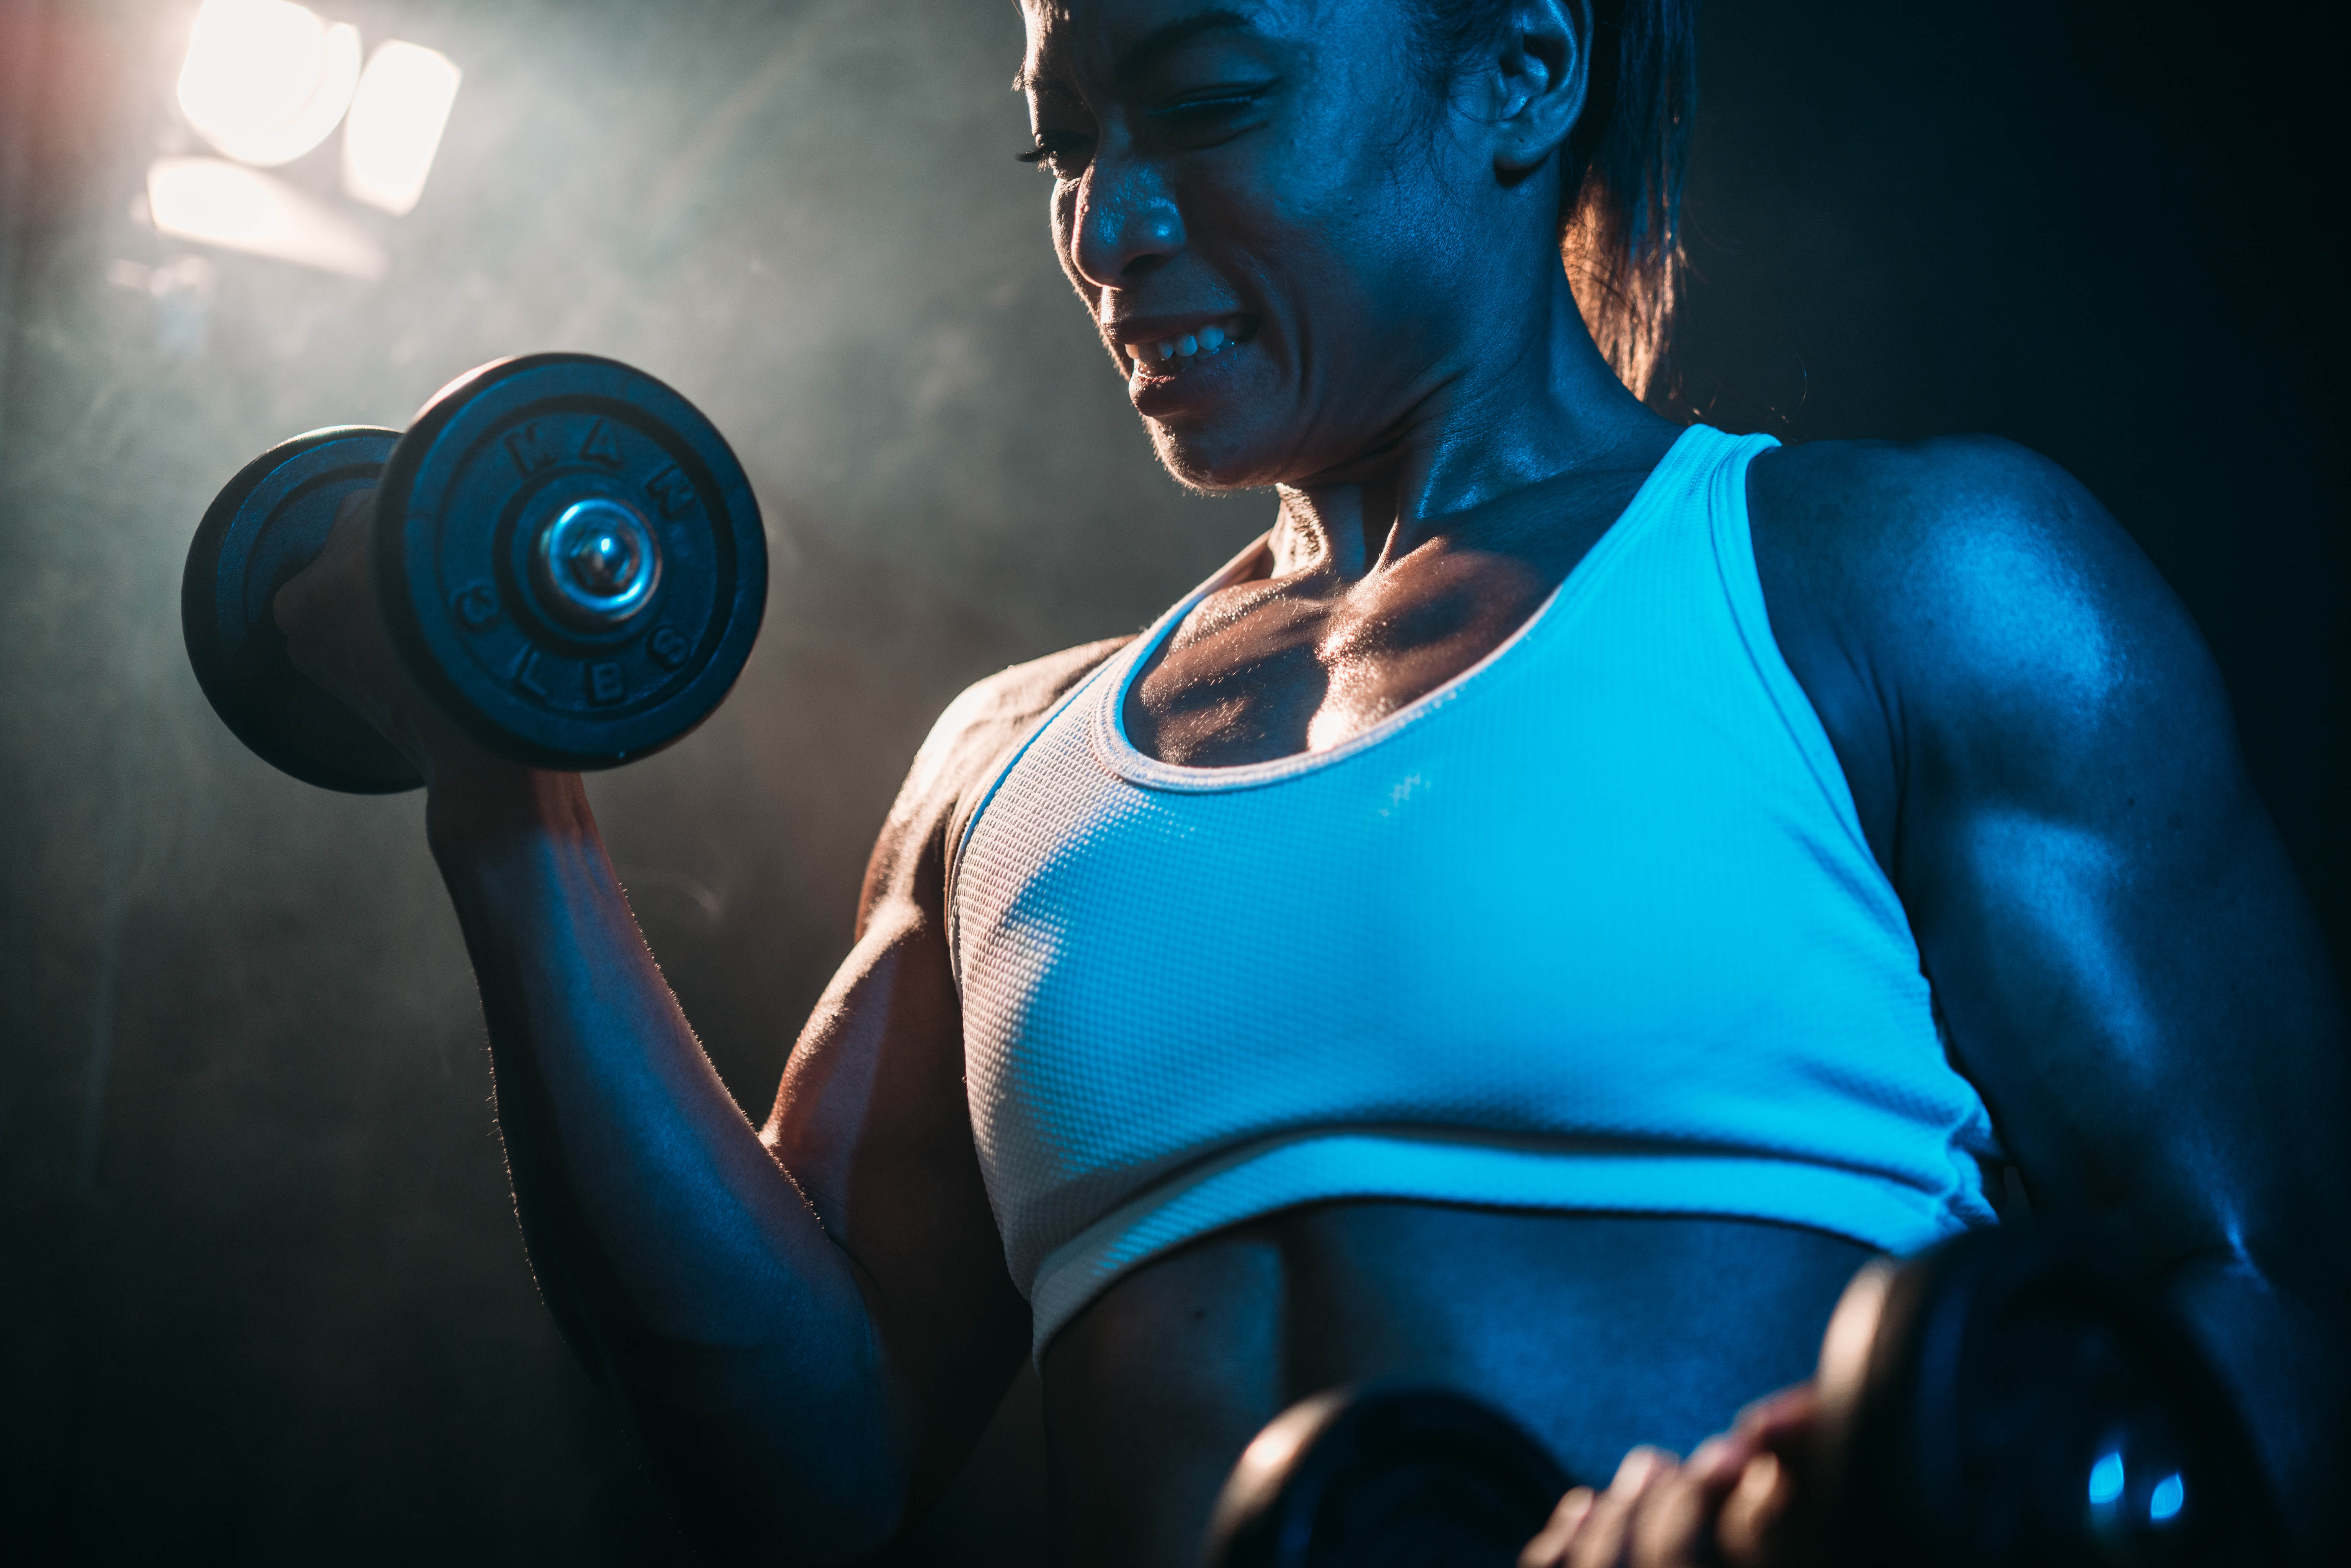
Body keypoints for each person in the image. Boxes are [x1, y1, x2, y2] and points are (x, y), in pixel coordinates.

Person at [271, 0, 2349, 1563]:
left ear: (1523, 72)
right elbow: (797, 1465)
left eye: (1207, 101)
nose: (1107, 221)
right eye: (1060, 144)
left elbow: (2269, 1297)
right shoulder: (1005, 775)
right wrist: (502, 795)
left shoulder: (1904, 590)